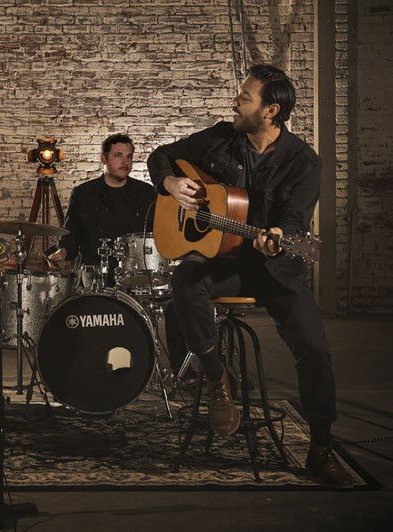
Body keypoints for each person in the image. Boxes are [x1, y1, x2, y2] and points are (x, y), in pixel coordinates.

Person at [147, 65, 353, 488]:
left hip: (275, 268)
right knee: (186, 280)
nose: (234, 102)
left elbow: (295, 223)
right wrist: (170, 182)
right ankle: (217, 376)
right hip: (224, 263)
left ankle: (321, 446)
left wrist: (280, 236)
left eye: (244, 97)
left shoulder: (303, 162)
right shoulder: (223, 136)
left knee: (314, 349)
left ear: (270, 110)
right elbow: (160, 154)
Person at [46, 133, 156, 279]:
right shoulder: (83, 193)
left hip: (135, 277)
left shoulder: (146, 193)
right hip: (92, 276)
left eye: (129, 156)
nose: (125, 162)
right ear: (103, 159)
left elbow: (156, 236)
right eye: (118, 155)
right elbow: (71, 234)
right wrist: (63, 252)